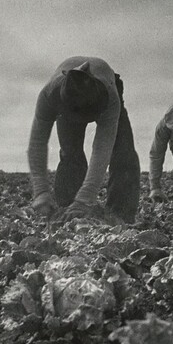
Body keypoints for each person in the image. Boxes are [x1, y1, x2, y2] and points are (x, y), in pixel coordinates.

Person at [27, 56, 140, 223]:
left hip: (106, 88)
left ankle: (120, 217)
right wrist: (40, 191)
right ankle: (68, 214)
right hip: (68, 98)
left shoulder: (109, 98)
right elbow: (37, 142)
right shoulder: (49, 95)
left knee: (124, 153)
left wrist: (85, 198)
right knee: (70, 154)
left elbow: (102, 148)